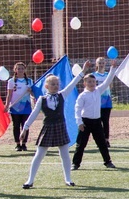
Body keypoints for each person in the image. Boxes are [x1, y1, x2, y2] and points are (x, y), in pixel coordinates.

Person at [21, 60, 93, 188]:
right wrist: (25, 128)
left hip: (60, 126)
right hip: (47, 128)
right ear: (46, 86)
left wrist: (83, 71)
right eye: (52, 84)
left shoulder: (62, 95)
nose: (55, 86)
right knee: (39, 154)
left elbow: (72, 84)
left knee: (64, 154)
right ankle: (30, 181)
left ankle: (68, 179)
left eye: (57, 84)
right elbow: (33, 114)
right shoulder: (41, 100)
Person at [72, 61, 125, 170]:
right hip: (85, 122)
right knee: (81, 145)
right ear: (84, 84)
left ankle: (108, 162)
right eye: (89, 82)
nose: (92, 83)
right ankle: (75, 164)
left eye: (93, 81)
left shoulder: (98, 91)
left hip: (96, 122)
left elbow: (107, 82)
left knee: (102, 143)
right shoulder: (82, 96)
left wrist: (112, 69)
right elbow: (77, 109)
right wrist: (79, 123)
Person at [5, 61, 34, 151]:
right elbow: (9, 95)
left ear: (25, 69)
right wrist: (6, 105)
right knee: (16, 125)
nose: (20, 70)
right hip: (15, 107)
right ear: (15, 70)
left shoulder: (29, 81)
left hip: (26, 106)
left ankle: (24, 144)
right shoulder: (11, 81)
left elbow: (33, 94)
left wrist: (31, 91)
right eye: (18, 68)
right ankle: (18, 144)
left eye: (22, 68)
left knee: (25, 125)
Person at [93, 57, 114, 147]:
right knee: (98, 121)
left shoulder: (107, 75)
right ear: (97, 64)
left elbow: (111, 86)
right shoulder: (93, 75)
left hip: (107, 100)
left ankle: (106, 139)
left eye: (102, 63)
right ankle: (100, 139)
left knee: (106, 121)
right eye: (99, 63)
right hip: (97, 100)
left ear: (105, 64)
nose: (101, 65)